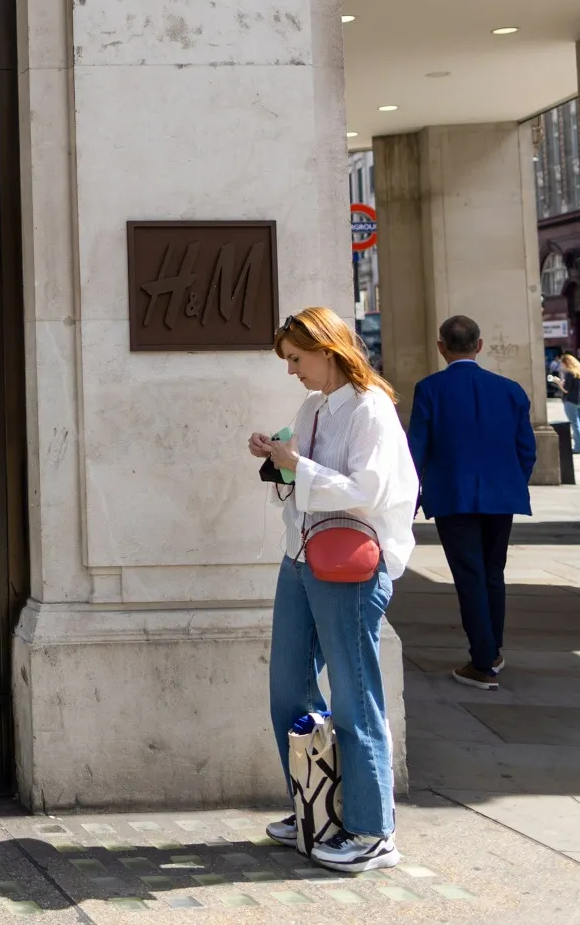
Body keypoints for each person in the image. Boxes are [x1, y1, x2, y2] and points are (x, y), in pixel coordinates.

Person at [248, 307, 418, 874]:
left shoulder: (370, 409)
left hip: (350, 565)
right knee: (288, 689)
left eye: (297, 358)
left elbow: (369, 492)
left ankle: (373, 831)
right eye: (289, 360)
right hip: (301, 558)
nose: (292, 370)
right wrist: (280, 463)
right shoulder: (314, 406)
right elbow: (307, 481)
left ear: (328, 349)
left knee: (354, 693)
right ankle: (316, 809)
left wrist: (300, 466)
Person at [407, 315, 536, 690]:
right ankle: (493, 648)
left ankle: (482, 662)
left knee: (469, 576)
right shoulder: (511, 390)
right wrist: (510, 483)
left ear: (441, 347)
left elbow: (416, 449)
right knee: (494, 572)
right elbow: (526, 449)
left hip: (453, 495)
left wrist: (411, 494)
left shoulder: (430, 389)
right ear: (480, 345)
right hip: (500, 495)